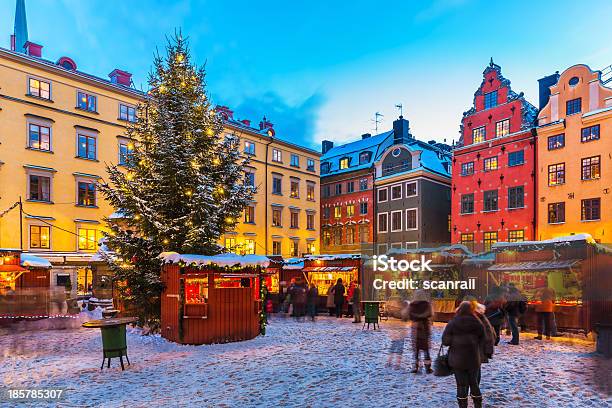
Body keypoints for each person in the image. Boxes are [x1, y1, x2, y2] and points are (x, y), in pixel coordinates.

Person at [442, 301, 485, 408]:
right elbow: (483, 339)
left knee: (461, 385)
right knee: (474, 383)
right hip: (473, 359)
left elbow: (445, 341)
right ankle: (478, 405)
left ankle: (462, 406)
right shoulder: (477, 322)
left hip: (457, 360)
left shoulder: (453, 322)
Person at [409, 290, 433, 374]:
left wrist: (416, 317)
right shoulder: (427, 305)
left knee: (416, 349)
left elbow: (410, 315)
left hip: (416, 328)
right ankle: (428, 368)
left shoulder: (412, 305)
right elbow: (430, 314)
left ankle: (415, 367)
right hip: (425, 327)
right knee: (426, 349)